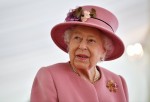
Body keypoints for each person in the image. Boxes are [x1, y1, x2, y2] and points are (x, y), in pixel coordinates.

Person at [30, 5, 129, 102]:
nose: (82, 46)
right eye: (77, 38)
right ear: (68, 42)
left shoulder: (118, 82)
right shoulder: (49, 76)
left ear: (104, 50)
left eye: (91, 40)